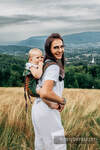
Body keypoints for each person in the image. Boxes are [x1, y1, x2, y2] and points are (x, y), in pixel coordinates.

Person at [31, 33, 67, 150]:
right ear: (49, 49)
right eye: (56, 47)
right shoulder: (53, 67)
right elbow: (45, 92)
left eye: (62, 46)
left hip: (38, 108)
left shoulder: (45, 64)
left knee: (42, 143)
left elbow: (39, 88)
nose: (60, 50)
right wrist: (62, 101)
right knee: (58, 144)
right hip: (48, 111)